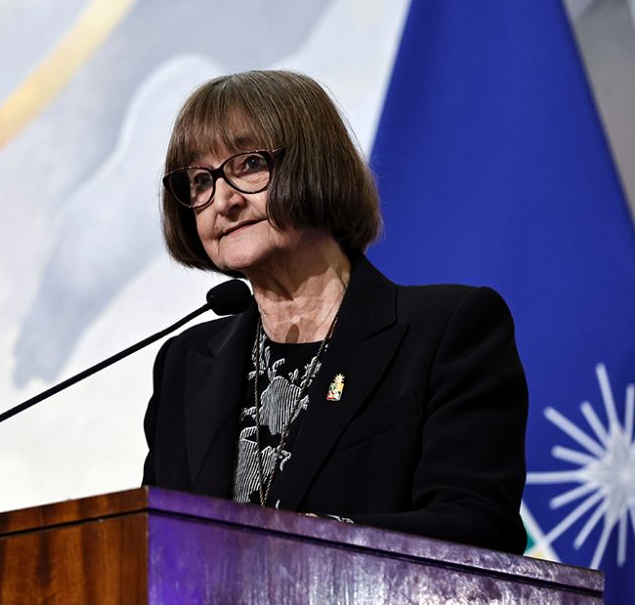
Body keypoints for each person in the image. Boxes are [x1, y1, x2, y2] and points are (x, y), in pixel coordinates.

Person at [141, 70, 528, 554]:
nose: (224, 200)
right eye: (200, 181)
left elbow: (477, 525)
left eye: (250, 164)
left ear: (316, 163)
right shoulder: (184, 362)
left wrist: (312, 537)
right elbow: (152, 549)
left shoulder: (446, 329)